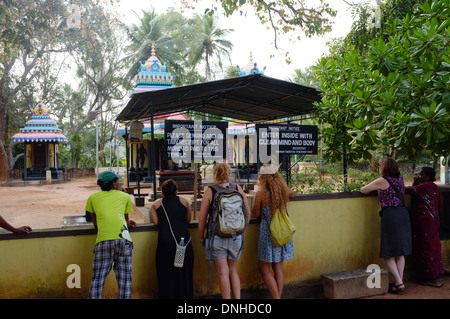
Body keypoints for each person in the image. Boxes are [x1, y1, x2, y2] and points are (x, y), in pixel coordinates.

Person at [198, 162, 251, 299]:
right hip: (236, 237)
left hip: (217, 237)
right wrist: (241, 230)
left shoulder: (210, 191)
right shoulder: (237, 188)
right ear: (228, 173)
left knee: (223, 272)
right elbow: (248, 213)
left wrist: (201, 237)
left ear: (215, 174)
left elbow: (202, 219)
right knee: (233, 271)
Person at [360, 157, 412, 294]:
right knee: (400, 252)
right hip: (403, 213)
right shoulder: (400, 178)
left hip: (391, 216)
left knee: (388, 253)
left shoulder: (382, 181)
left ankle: (399, 283)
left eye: (380, 165)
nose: (378, 167)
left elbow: (363, 190)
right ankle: (398, 283)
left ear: (384, 167)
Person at [85, 171, 136, 299]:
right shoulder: (125, 196)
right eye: (118, 181)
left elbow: (95, 224)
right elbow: (125, 219)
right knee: (125, 283)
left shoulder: (92, 198)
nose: (119, 183)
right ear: (114, 184)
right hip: (123, 241)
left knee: (97, 281)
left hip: (103, 241)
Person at [252, 164, 295, 299]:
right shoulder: (283, 190)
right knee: (278, 269)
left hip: (267, 233)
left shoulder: (261, 193)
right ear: (277, 176)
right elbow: (292, 193)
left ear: (262, 177)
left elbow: (255, 213)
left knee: (264, 269)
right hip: (281, 232)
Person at [150, 179, 194, 298]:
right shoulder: (185, 202)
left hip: (166, 242)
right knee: (184, 273)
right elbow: (188, 220)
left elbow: (156, 222)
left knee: (166, 273)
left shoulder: (156, 205)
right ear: (176, 191)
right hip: (184, 242)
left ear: (162, 193)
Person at [405, 167, 444, 287]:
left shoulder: (426, 186)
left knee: (426, 247)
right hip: (429, 222)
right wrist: (417, 181)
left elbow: (406, 190)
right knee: (432, 246)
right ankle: (437, 272)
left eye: (421, 174)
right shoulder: (431, 187)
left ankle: (431, 278)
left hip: (425, 222)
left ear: (428, 176)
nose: (419, 176)